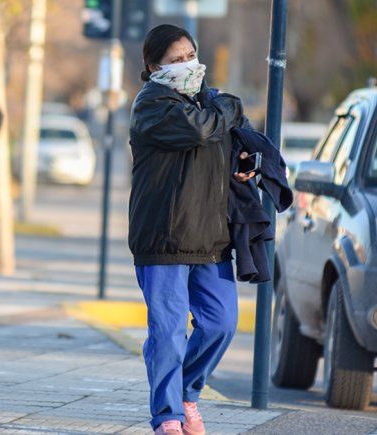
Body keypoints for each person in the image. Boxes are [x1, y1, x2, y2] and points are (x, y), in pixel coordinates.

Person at [128, 24, 255, 435]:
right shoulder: (151, 105)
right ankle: (167, 416)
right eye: (176, 60)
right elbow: (198, 129)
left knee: (221, 323)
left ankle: (185, 393)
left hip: (210, 237)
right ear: (154, 67)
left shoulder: (210, 103)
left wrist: (242, 164)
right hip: (163, 239)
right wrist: (231, 107)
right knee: (168, 333)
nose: (187, 65)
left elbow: (233, 140)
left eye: (190, 56)